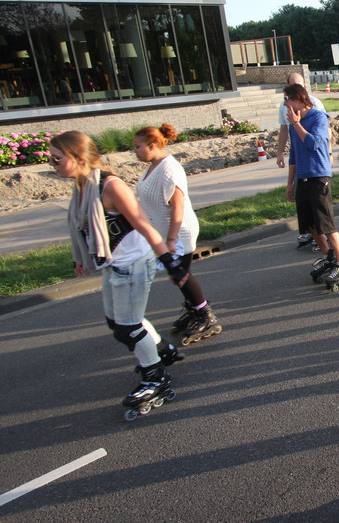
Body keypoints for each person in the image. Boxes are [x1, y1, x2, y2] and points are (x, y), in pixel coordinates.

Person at [50, 130, 184, 412]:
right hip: (115, 263)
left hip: (134, 263)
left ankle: (155, 377)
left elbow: (144, 225)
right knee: (118, 323)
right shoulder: (83, 185)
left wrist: (170, 262)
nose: (52, 164)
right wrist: (79, 257)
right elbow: (84, 226)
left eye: (57, 159)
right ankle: (161, 351)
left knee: (128, 327)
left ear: (79, 158)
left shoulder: (110, 186)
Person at [133, 124, 221, 346]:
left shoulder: (168, 169)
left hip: (179, 232)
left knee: (182, 274)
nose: (134, 151)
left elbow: (178, 207)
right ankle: (194, 309)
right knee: (179, 275)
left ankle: (205, 315)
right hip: (165, 232)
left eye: (137, 147)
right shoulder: (153, 166)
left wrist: (171, 239)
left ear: (152, 146)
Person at [282, 83, 339, 286]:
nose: (285, 105)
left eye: (288, 100)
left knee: (326, 223)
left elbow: (314, 143)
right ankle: (328, 256)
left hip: (318, 176)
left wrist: (296, 124)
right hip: (301, 178)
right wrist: (289, 183)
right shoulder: (294, 123)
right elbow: (293, 154)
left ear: (299, 99)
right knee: (309, 225)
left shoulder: (319, 117)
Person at [275, 72, 325, 249]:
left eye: (301, 84)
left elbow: (321, 134)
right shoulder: (285, 107)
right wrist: (280, 153)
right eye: (293, 85)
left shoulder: (316, 105)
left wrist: (329, 153)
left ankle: (328, 246)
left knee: (321, 212)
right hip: (300, 165)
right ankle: (313, 236)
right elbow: (285, 131)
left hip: (316, 168)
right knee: (304, 207)